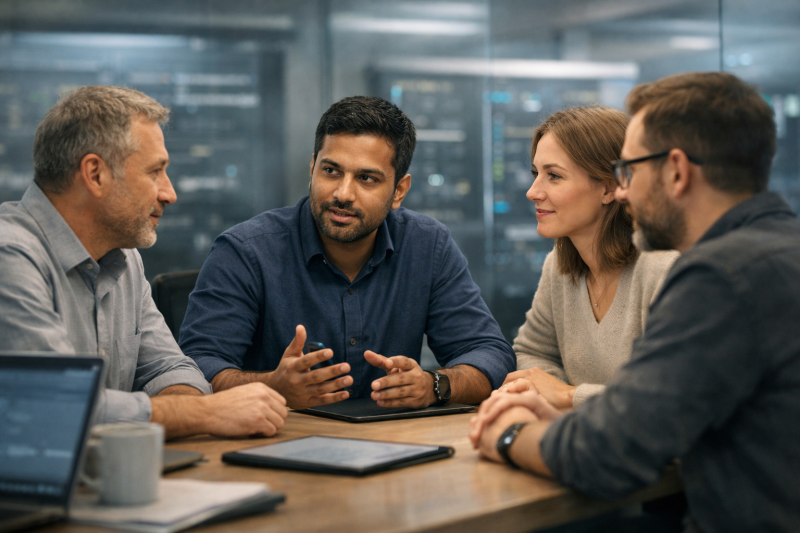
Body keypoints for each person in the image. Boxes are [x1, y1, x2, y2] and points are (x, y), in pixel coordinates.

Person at [469, 71, 800, 532]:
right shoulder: (778, 250)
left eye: (630, 170)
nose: (624, 190)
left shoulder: (719, 277)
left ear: (678, 171)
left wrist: (506, 432)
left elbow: (608, 453)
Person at [180, 96, 515, 409]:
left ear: (399, 190)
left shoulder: (428, 246)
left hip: (394, 446)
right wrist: (272, 386)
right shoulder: (244, 251)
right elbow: (198, 367)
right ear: (312, 169)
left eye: (366, 178)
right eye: (331, 171)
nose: (343, 193)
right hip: (276, 442)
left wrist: (434, 384)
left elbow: (490, 354)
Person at [0, 86, 288, 440]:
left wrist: (186, 410)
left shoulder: (124, 260)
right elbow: (54, 406)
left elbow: (173, 369)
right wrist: (200, 413)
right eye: (155, 172)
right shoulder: (10, 256)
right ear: (95, 174)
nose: (169, 193)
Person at [501, 106, 677, 408]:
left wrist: (569, 395)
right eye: (536, 174)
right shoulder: (558, 266)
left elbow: (674, 395)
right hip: (591, 439)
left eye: (553, 176)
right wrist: (555, 392)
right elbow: (532, 353)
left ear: (610, 188)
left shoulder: (664, 267)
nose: (532, 191)